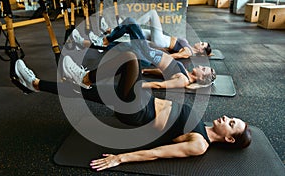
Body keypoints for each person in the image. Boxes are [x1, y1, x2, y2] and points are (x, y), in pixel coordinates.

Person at [14, 53, 251, 171]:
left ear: (229, 138)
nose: (227, 118)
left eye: (231, 124)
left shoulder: (200, 144)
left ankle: (85, 76)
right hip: (143, 99)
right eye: (232, 118)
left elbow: (158, 153)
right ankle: (34, 84)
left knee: (129, 59)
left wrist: (120, 158)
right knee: (84, 92)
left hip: (138, 112)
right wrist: (143, 87)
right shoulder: (204, 123)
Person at [89, 16, 216, 89]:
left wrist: (141, 86)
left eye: (203, 69)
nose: (200, 66)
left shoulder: (183, 80)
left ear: (201, 78)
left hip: (147, 54)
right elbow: (163, 72)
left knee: (130, 22)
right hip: (148, 55)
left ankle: (105, 41)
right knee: (123, 46)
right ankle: (96, 44)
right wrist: (146, 71)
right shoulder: (185, 74)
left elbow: (161, 85)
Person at [69, 10, 211, 59]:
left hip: (160, 41)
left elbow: (174, 56)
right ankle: (109, 32)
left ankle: (117, 30)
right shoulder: (189, 47)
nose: (200, 42)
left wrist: (156, 58)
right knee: (125, 35)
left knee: (152, 13)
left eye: (202, 44)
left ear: (201, 50)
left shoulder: (189, 51)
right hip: (157, 41)